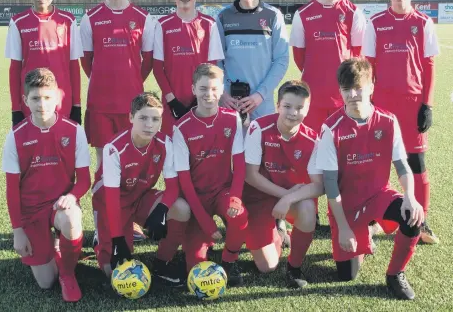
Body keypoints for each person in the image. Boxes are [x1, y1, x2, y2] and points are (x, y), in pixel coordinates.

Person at [316, 58, 424, 300]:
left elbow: (402, 166)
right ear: (340, 91)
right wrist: (343, 228)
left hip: (378, 195)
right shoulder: (330, 128)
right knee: (347, 275)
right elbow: (331, 185)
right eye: (347, 89)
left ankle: (395, 274)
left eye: (359, 87)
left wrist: (410, 197)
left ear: (372, 86)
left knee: (413, 217)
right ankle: (364, 229)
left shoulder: (387, 120)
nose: (353, 95)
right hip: (347, 206)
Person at [362, 0, 440, 244]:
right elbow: (367, 67)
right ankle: (372, 220)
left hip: (411, 106)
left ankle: (422, 220)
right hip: (381, 107)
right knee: (377, 164)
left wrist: (426, 105)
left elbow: (429, 66)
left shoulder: (422, 23)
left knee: (417, 162)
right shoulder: (376, 23)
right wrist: (368, 104)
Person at [80, 0, 155, 244]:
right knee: (103, 168)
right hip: (100, 106)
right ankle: (102, 228)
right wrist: (103, 80)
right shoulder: (91, 18)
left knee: (133, 166)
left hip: (131, 108)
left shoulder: (143, 19)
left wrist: (131, 82)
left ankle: (131, 222)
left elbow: (146, 61)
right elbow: (87, 61)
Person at [2, 68, 91, 302]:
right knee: (45, 282)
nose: (42, 104)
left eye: (47, 97)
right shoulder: (16, 136)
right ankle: (55, 249)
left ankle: (68, 274)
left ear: (59, 97)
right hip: (31, 211)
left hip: (59, 204)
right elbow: (12, 189)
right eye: (35, 98)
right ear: (25, 100)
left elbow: (84, 180)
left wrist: (72, 197)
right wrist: (18, 232)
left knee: (70, 218)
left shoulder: (74, 131)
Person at [91, 92, 191, 287]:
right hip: (111, 204)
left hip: (140, 196)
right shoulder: (114, 148)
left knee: (181, 208)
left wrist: (161, 211)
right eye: (143, 118)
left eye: (155, 119)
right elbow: (111, 199)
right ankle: (101, 241)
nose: (149, 125)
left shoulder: (165, 143)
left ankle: (161, 263)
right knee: (115, 273)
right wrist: (117, 239)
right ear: (131, 118)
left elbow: (172, 187)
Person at [173, 63, 248, 286]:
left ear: (222, 89)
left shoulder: (232, 118)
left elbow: (240, 165)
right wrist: (205, 222)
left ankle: (230, 260)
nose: (209, 94)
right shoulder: (181, 127)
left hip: (222, 192)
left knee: (239, 214)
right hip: (195, 199)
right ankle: (199, 242)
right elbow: (184, 180)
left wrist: (235, 196)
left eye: (215, 89)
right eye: (203, 88)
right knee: (195, 268)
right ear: (194, 89)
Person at [243, 80, 324, 288]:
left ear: (308, 108)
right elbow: (250, 175)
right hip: (258, 197)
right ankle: (278, 231)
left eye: (299, 108)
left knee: (307, 208)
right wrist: (284, 195)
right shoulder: (258, 127)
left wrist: (288, 198)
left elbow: (319, 186)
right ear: (278, 105)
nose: (293, 113)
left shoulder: (313, 140)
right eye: (287, 106)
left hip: (288, 197)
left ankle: (294, 266)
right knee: (267, 267)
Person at [289, 0, 366, 133]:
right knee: (313, 149)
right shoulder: (303, 14)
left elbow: (358, 57)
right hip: (312, 96)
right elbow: (299, 58)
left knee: (343, 150)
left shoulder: (353, 13)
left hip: (344, 96)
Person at [5, 0, 83, 126]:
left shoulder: (68, 21)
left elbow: (74, 66)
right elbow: (15, 68)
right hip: (31, 103)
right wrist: (15, 109)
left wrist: (76, 105)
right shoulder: (18, 22)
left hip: (62, 101)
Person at [153, 0, 224, 136]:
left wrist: (199, 98)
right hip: (173, 104)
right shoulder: (162, 25)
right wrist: (172, 101)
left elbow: (213, 68)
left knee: (202, 151)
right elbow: (157, 68)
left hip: (203, 101)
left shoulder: (209, 24)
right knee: (173, 153)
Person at [216, 0, 289, 122]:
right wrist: (223, 93)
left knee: (262, 147)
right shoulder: (223, 17)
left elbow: (281, 60)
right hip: (231, 103)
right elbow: (216, 60)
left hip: (262, 103)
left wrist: (260, 95)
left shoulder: (273, 16)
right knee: (232, 148)